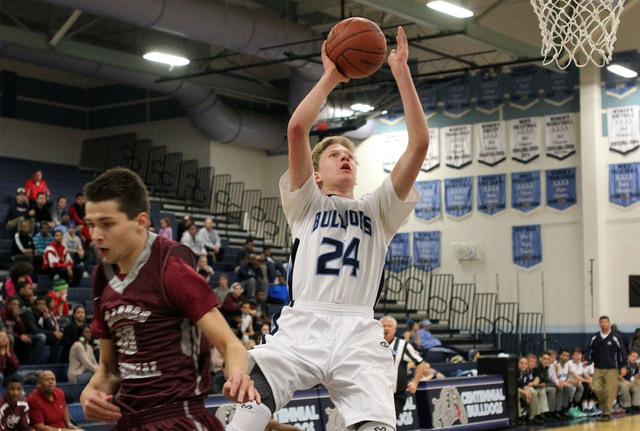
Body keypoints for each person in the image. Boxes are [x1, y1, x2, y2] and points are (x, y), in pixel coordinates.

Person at [227, 26, 429, 431]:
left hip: (359, 330)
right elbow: (298, 129)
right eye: (335, 154)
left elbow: (419, 143)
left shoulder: (379, 209)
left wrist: (401, 72)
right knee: (243, 423)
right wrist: (332, 77)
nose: (345, 158)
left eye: (349, 154)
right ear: (316, 174)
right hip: (304, 325)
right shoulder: (307, 201)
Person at [79, 167, 257, 429]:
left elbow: (231, 345)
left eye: (107, 224)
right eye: (91, 225)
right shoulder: (101, 277)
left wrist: (238, 376)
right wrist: (89, 393)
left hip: (178, 417)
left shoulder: (171, 269)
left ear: (141, 222)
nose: (96, 235)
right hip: (129, 421)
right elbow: (108, 369)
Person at [380, 316, 425, 420]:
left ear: (395, 329)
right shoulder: (371, 344)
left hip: (396, 395)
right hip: (375, 395)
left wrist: (415, 381)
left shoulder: (403, 345)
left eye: (389, 326)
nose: (386, 328)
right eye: (383, 326)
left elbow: (420, 362)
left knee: (389, 422)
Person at [586, 315, 627, 421]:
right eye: (601, 322)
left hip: (612, 368)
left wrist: (623, 365)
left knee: (610, 390)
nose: (603, 324)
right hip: (598, 368)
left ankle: (607, 413)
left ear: (609, 323)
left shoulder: (615, 337)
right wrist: (587, 359)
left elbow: (622, 351)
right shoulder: (595, 337)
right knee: (595, 387)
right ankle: (605, 407)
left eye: (605, 322)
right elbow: (589, 350)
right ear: (599, 324)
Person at [517, 357, 544, 424]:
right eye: (521, 363)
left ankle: (532, 417)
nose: (523, 365)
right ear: (517, 364)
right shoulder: (514, 373)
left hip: (522, 390)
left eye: (526, 364)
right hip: (515, 391)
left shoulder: (525, 373)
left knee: (533, 393)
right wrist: (525, 392)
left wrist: (528, 392)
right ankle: (519, 417)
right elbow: (514, 387)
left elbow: (526, 385)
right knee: (516, 395)